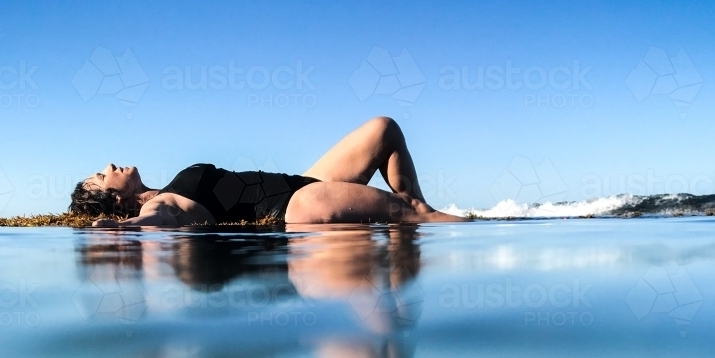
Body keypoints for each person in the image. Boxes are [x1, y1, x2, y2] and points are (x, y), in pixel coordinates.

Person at [69, 117, 465, 226]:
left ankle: (419, 220)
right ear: (116, 198)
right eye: (102, 177)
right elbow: (159, 218)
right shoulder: (162, 204)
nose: (108, 167)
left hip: (302, 181)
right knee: (413, 213)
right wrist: (123, 228)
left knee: (384, 129)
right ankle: (435, 222)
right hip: (296, 205)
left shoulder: (170, 185)